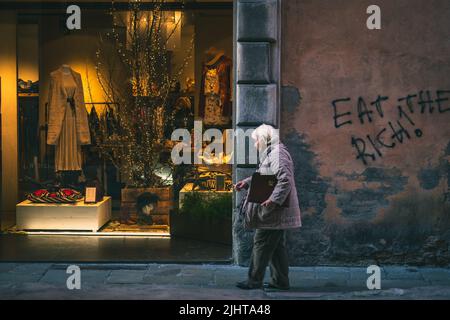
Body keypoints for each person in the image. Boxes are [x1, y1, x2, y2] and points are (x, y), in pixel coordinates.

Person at [234, 124, 301, 290]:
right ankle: (280, 281)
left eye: (256, 141)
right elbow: (266, 176)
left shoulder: (278, 154)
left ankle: (254, 280)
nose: (255, 144)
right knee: (276, 247)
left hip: (274, 211)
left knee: (261, 242)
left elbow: (285, 180)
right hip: (274, 210)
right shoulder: (273, 153)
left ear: (264, 139)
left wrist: (273, 200)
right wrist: (247, 182)